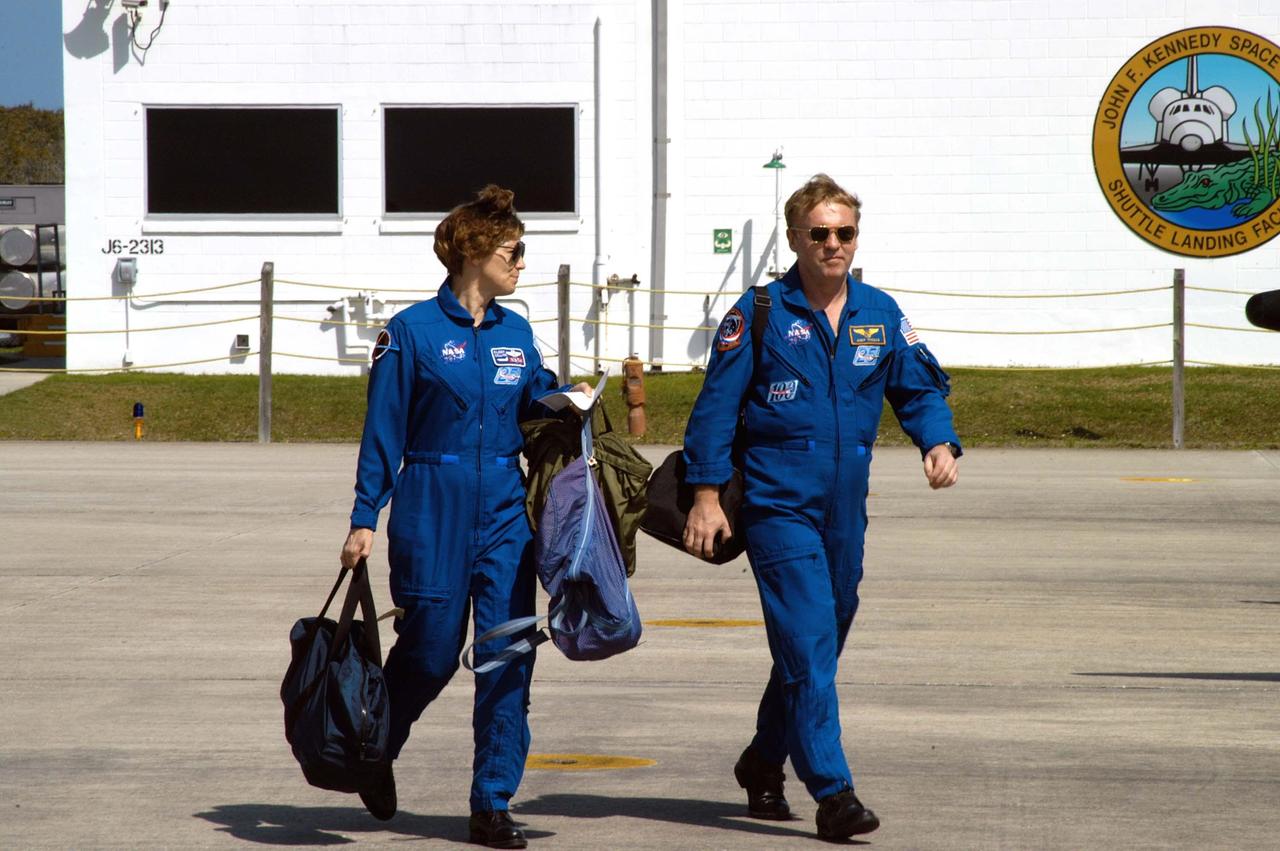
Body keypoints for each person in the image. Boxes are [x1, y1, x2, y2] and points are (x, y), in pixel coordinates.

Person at [681, 174, 961, 841]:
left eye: (845, 232)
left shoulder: (880, 311)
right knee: (808, 643)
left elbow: (918, 387)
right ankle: (834, 792)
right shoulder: (757, 314)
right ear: (795, 238)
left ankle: (761, 760)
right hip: (778, 505)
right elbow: (715, 411)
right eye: (820, 233)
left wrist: (938, 440)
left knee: (816, 647)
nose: (833, 244)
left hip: (845, 509)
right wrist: (705, 495)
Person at [340, 184, 588, 849]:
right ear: (475, 250)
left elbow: (533, 396)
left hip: (506, 510)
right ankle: (377, 749)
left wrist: (567, 398)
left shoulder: (518, 330)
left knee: (508, 653)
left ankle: (491, 801)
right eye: (515, 249)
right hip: (432, 500)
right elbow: (382, 433)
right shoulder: (411, 333)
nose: (523, 262)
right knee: (429, 649)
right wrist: (366, 515)